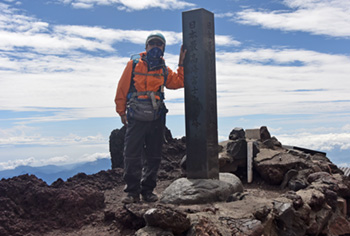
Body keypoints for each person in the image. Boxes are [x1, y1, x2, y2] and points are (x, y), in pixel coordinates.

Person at [114, 32, 186, 203]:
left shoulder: (163, 68)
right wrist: (121, 112)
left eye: (159, 44)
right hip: (136, 117)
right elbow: (122, 89)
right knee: (132, 154)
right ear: (146, 47)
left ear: (163, 48)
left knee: (154, 155)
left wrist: (181, 63)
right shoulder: (133, 65)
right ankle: (132, 192)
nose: (155, 47)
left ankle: (147, 190)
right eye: (152, 44)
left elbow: (178, 82)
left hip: (156, 117)